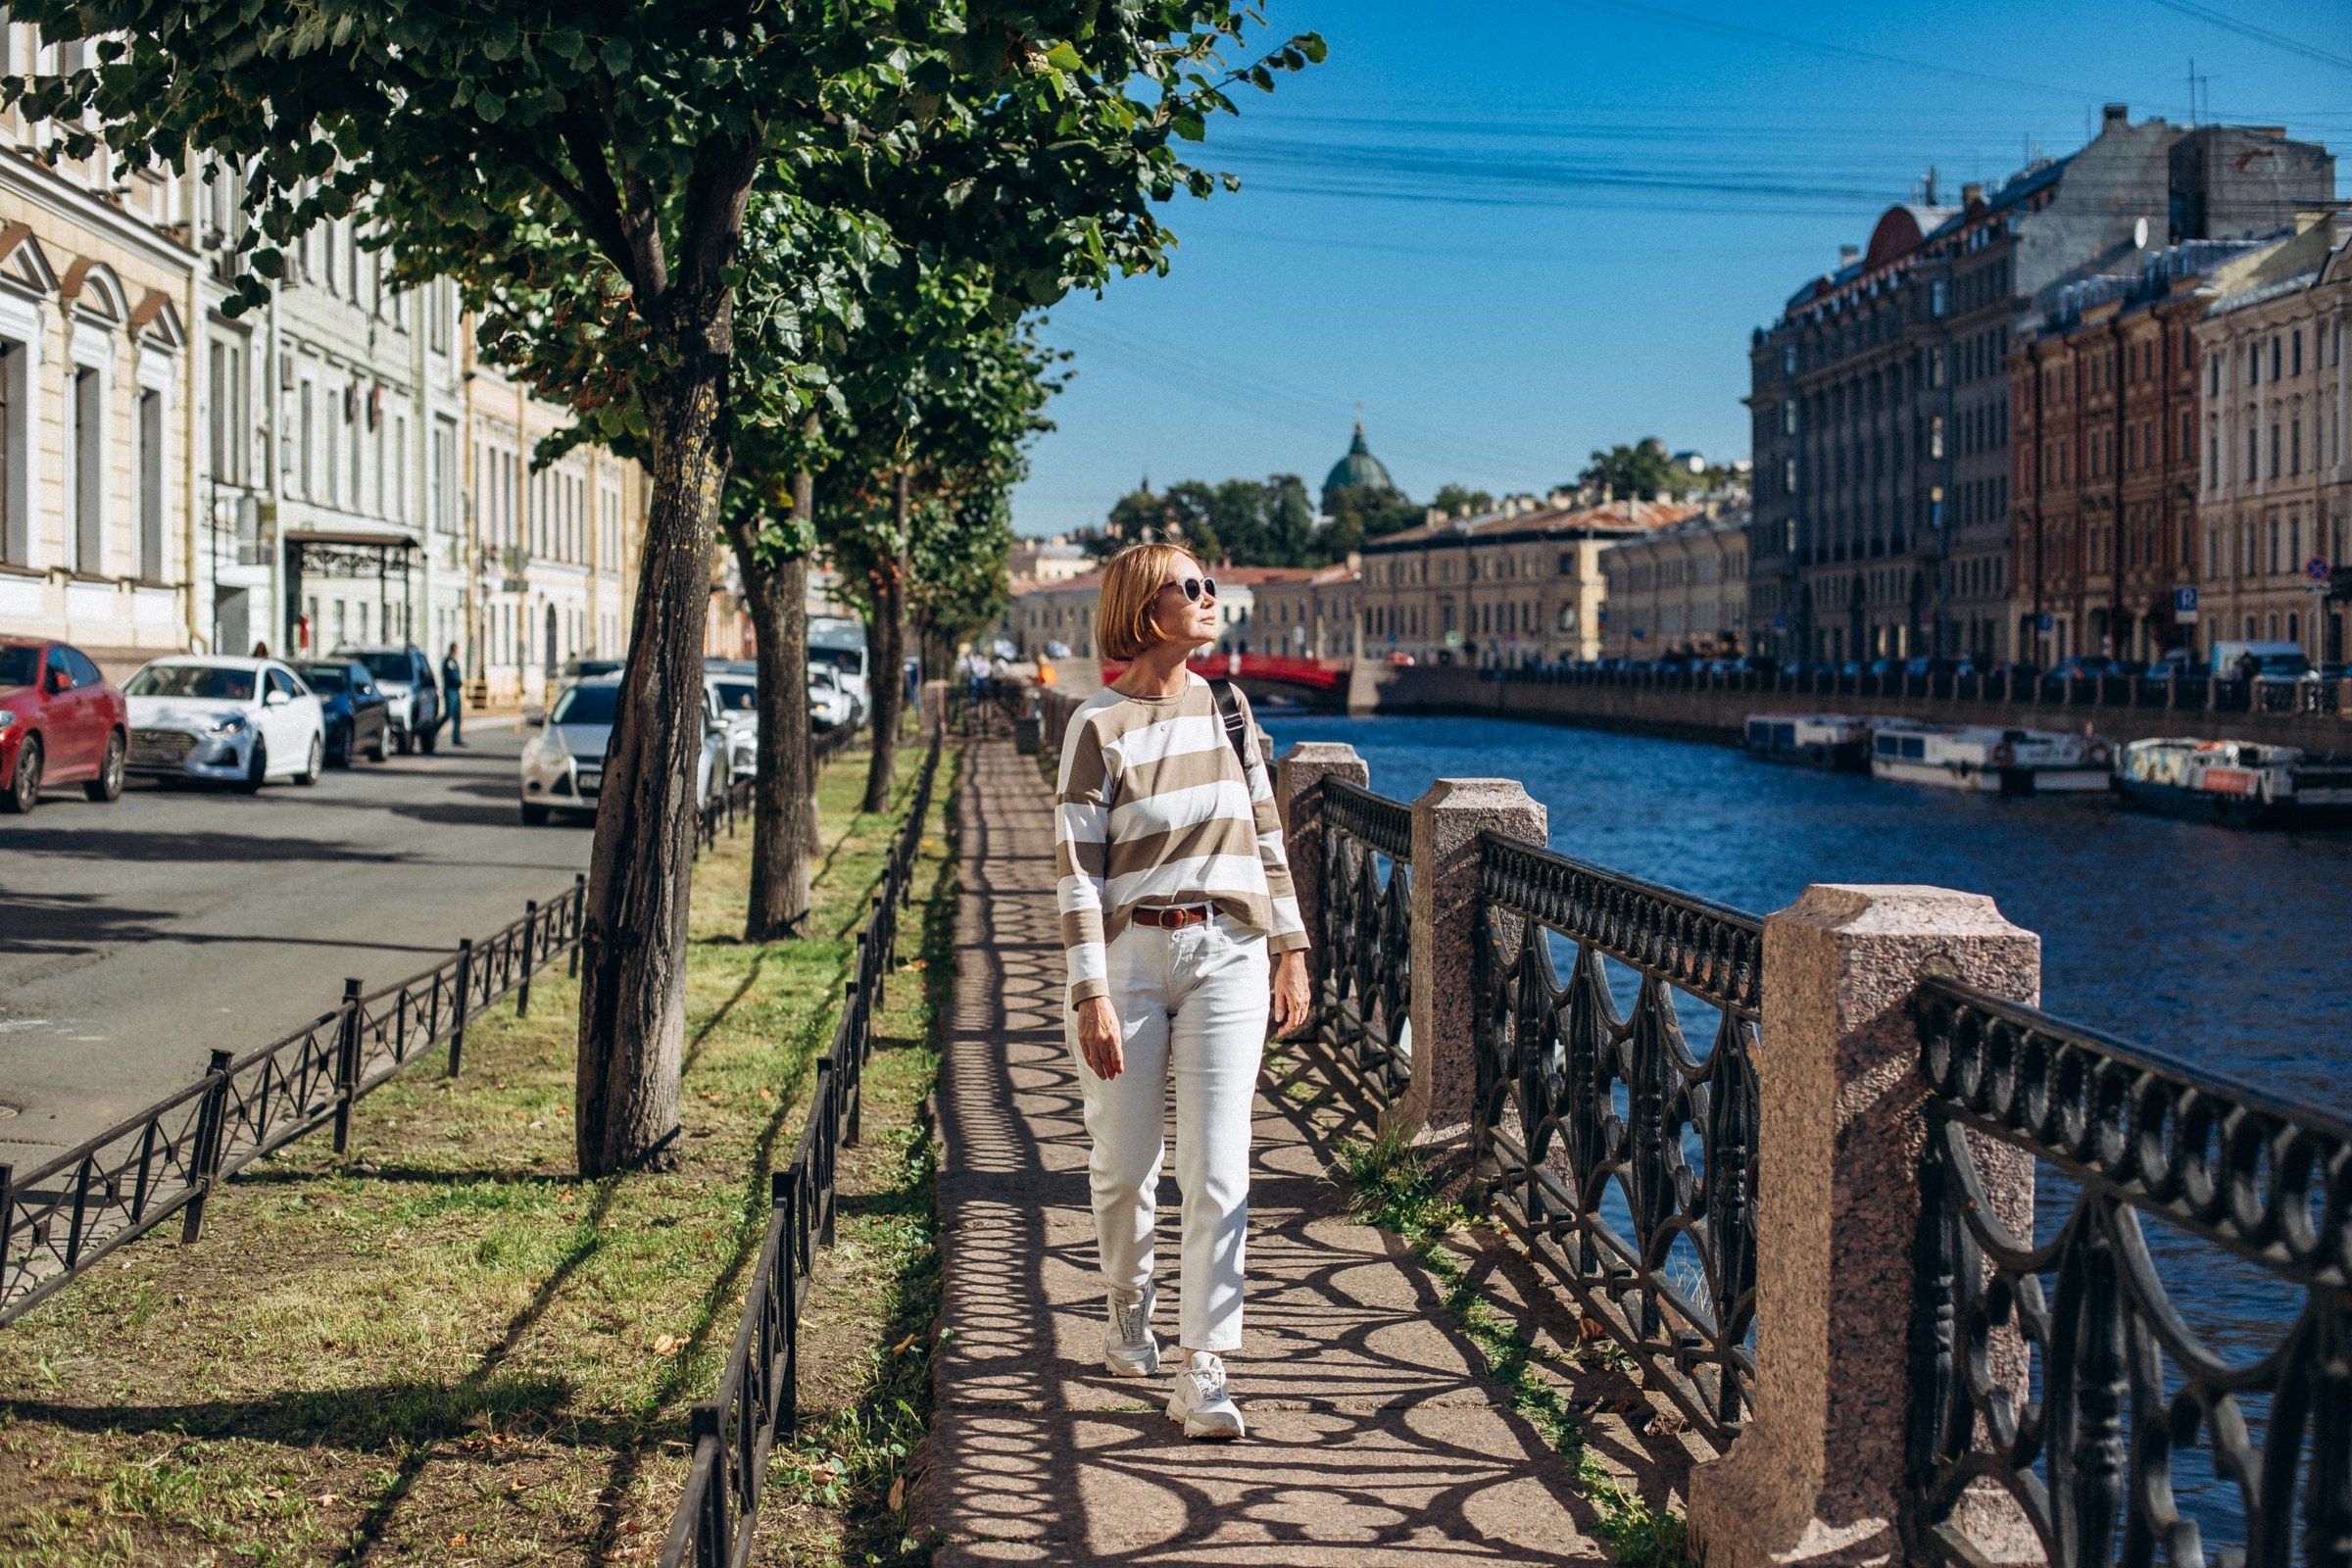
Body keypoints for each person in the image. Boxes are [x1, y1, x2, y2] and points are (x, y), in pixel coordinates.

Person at [1053, 542, 1311, 1441]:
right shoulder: (1095, 727)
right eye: (1190, 587)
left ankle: (1205, 1365)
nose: (1211, 598)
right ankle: (1130, 1305)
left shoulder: (1232, 710)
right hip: (1129, 962)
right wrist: (1089, 992)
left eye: (1212, 585)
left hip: (1228, 954)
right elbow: (1079, 874)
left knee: (1218, 1164)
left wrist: (1290, 946)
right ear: (1141, 608)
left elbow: (1266, 832)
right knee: (1125, 1167)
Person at [441, 644, 466, 748]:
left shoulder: (452, 661)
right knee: (448, 714)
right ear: (453, 650)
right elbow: (453, 676)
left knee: (457, 716)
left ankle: (456, 737)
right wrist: (459, 682)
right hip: (450, 690)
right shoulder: (449, 661)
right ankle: (434, 730)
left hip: (455, 691)